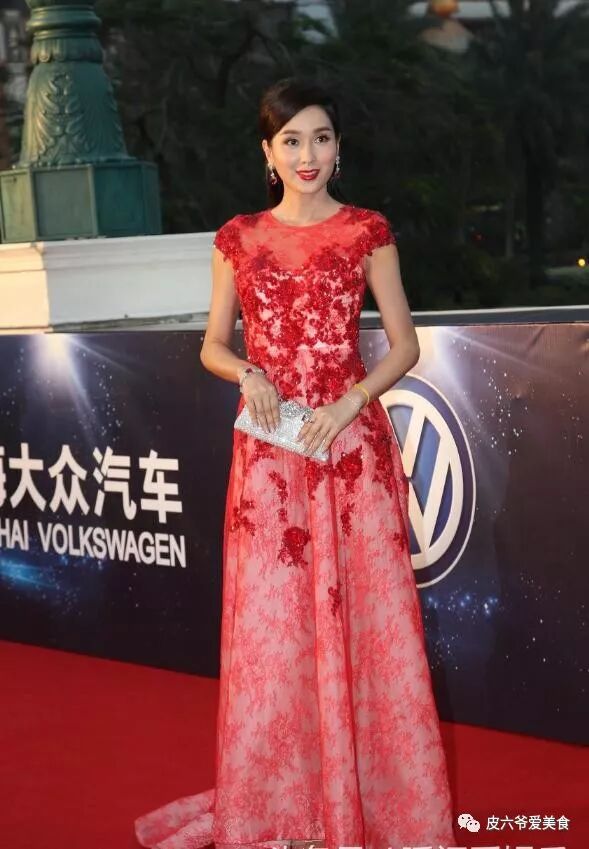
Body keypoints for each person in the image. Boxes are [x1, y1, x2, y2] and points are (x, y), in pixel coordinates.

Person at [135, 77, 457, 849]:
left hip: (350, 452)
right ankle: (288, 808)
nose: (306, 154)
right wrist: (247, 372)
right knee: (274, 636)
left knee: (365, 627)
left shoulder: (366, 232)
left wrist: (350, 402)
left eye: (320, 137)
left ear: (338, 148)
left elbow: (404, 345)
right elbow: (213, 344)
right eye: (290, 140)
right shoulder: (237, 238)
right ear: (267, 152)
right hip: (269, 459)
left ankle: (369, 806)